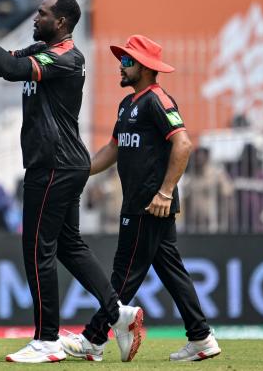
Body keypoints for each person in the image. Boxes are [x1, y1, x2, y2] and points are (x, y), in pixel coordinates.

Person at [0, 0, 144, 363]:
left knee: (37, 249)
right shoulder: (42, 51)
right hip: (60, 163)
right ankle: (118, 314)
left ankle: (46, 341)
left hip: (54, 165)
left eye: (43, 13)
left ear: (60, 22)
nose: (35, 16)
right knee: (68, 246)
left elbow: (10, 70)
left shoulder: (64, 57)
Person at [58, 35, 220, 362]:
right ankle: (201, 338)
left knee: (123, 273)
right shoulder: (128, 103)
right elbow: (114, 150)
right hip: (139, 202)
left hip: (149, 204)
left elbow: (183, 144)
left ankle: (93, 340)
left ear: (145, 68)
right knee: (171, 271)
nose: (121, 65)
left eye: (128, 61)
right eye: (122, 59)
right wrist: (80, 171)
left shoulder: (157, 100)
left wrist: (164, 192)